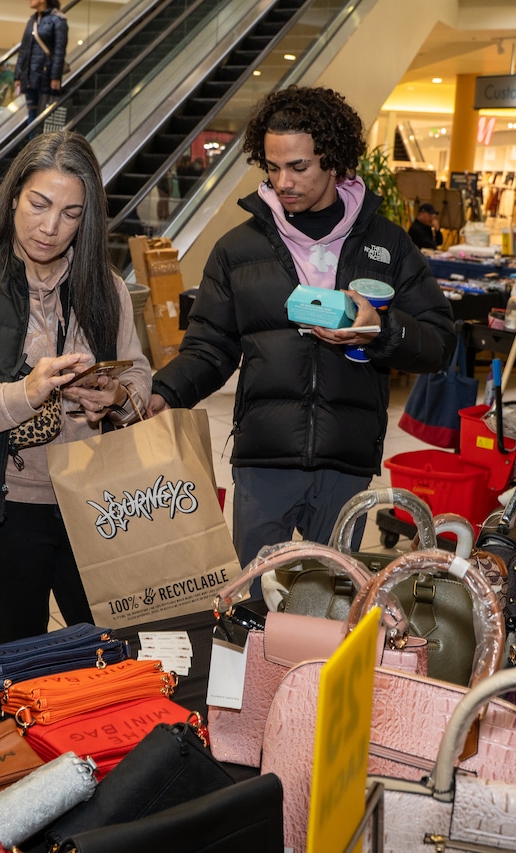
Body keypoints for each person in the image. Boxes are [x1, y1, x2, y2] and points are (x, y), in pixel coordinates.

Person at [148, 86, 455, 570]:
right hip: (263, 459)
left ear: (333, 160)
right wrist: (162, 392)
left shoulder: (387, 243)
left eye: (298, 167)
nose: (282, 182)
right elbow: (210, 347)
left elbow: (439, 342)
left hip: (345, 459)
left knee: (331, 603)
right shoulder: (237, 249)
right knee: (250, 603)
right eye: (272, 167)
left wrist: (381, 329)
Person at [0, 132, 151, 645]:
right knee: (18, 666)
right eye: (39, 204)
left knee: (105, 655)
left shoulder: (104, 286)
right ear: (14, 195)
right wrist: (25, 392)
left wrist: (119, 397)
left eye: (70, 213)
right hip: (3, 511)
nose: (50, 226)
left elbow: (138, 372)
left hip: (95, 503)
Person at [14, 0, 68, 131]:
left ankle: (46, 147)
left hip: (46, 76)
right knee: (32, 115)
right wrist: (17, 76)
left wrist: (55, 77)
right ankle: (34, 148)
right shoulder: (32, 20)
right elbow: (23, 50)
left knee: (47, 117)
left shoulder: (58, 20)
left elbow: (59, 51)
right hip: (29, 76)